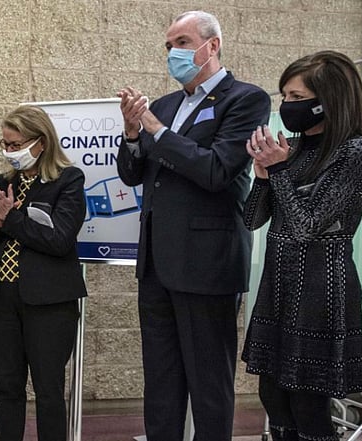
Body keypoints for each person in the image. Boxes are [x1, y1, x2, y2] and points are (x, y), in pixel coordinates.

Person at [115, 10, 271, 440]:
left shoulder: (246, 99)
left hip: (208, 263)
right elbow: (132, 175)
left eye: (182, 42)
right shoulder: (164, 105)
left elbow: (218, 170)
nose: (173, 52)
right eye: (168, 45)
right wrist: (132, 134)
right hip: (156, 263)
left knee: (208, 384)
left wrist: (154, 129)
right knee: (161, 383)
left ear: (212, 45)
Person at [242, 50, 362, 441]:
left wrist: (277, 170)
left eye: (296, 97)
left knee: (307, 405)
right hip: (280, 288)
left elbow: (307, 226)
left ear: (328, 100)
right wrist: (263, 176)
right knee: (272, 396)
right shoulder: (291, 150)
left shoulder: (355, 152)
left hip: (321, 293)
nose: (287, 106)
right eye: (284, 96)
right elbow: (252, 220)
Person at [0, 105, 87, 440]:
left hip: (49, 303)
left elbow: (59, 240)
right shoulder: (4, 181)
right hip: (1, 299)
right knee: (7, 388)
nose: (9, 152)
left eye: (15, 144)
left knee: (49, 391)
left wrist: (10, 219)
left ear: (40, 142)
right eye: (4, 144)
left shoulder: (68, 180)